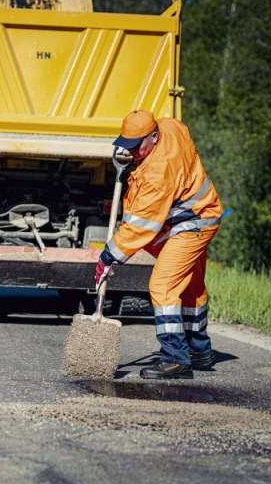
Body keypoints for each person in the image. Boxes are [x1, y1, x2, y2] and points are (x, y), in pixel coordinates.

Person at [95, 110, 224, 379]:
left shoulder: (158, 172)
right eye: (126, 143)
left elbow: (141, 226)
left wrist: (108, 256)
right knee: (190, 286)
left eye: (136, 145)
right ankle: (199, 350)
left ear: (154, 137)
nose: (130, 151)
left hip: (191, 224)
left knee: (162, 286)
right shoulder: (170, 126)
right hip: (202, 212)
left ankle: (175, 359)